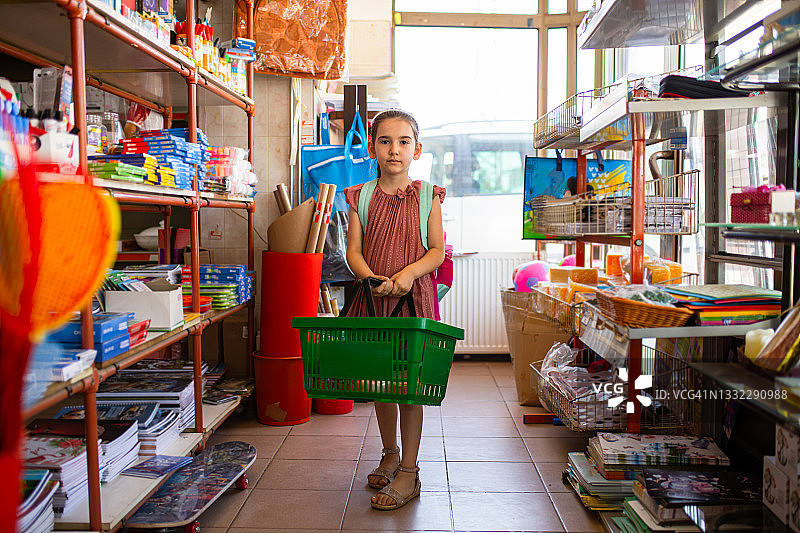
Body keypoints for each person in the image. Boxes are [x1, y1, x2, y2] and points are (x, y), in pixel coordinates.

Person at [343, 109, 446, 510]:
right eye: (385, 141)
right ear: (372, 148)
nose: (394, 150)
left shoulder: (428, 195)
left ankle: (409, 471)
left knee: (409, 387)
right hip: (372, 302)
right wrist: (370, 278)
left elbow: (437, 250)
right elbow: (353, 251)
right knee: (380, 382)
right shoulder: (360, 196)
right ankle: (388, 452)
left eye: (404, 142)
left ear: (416, 149)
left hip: (412, 302)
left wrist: (407, 274)